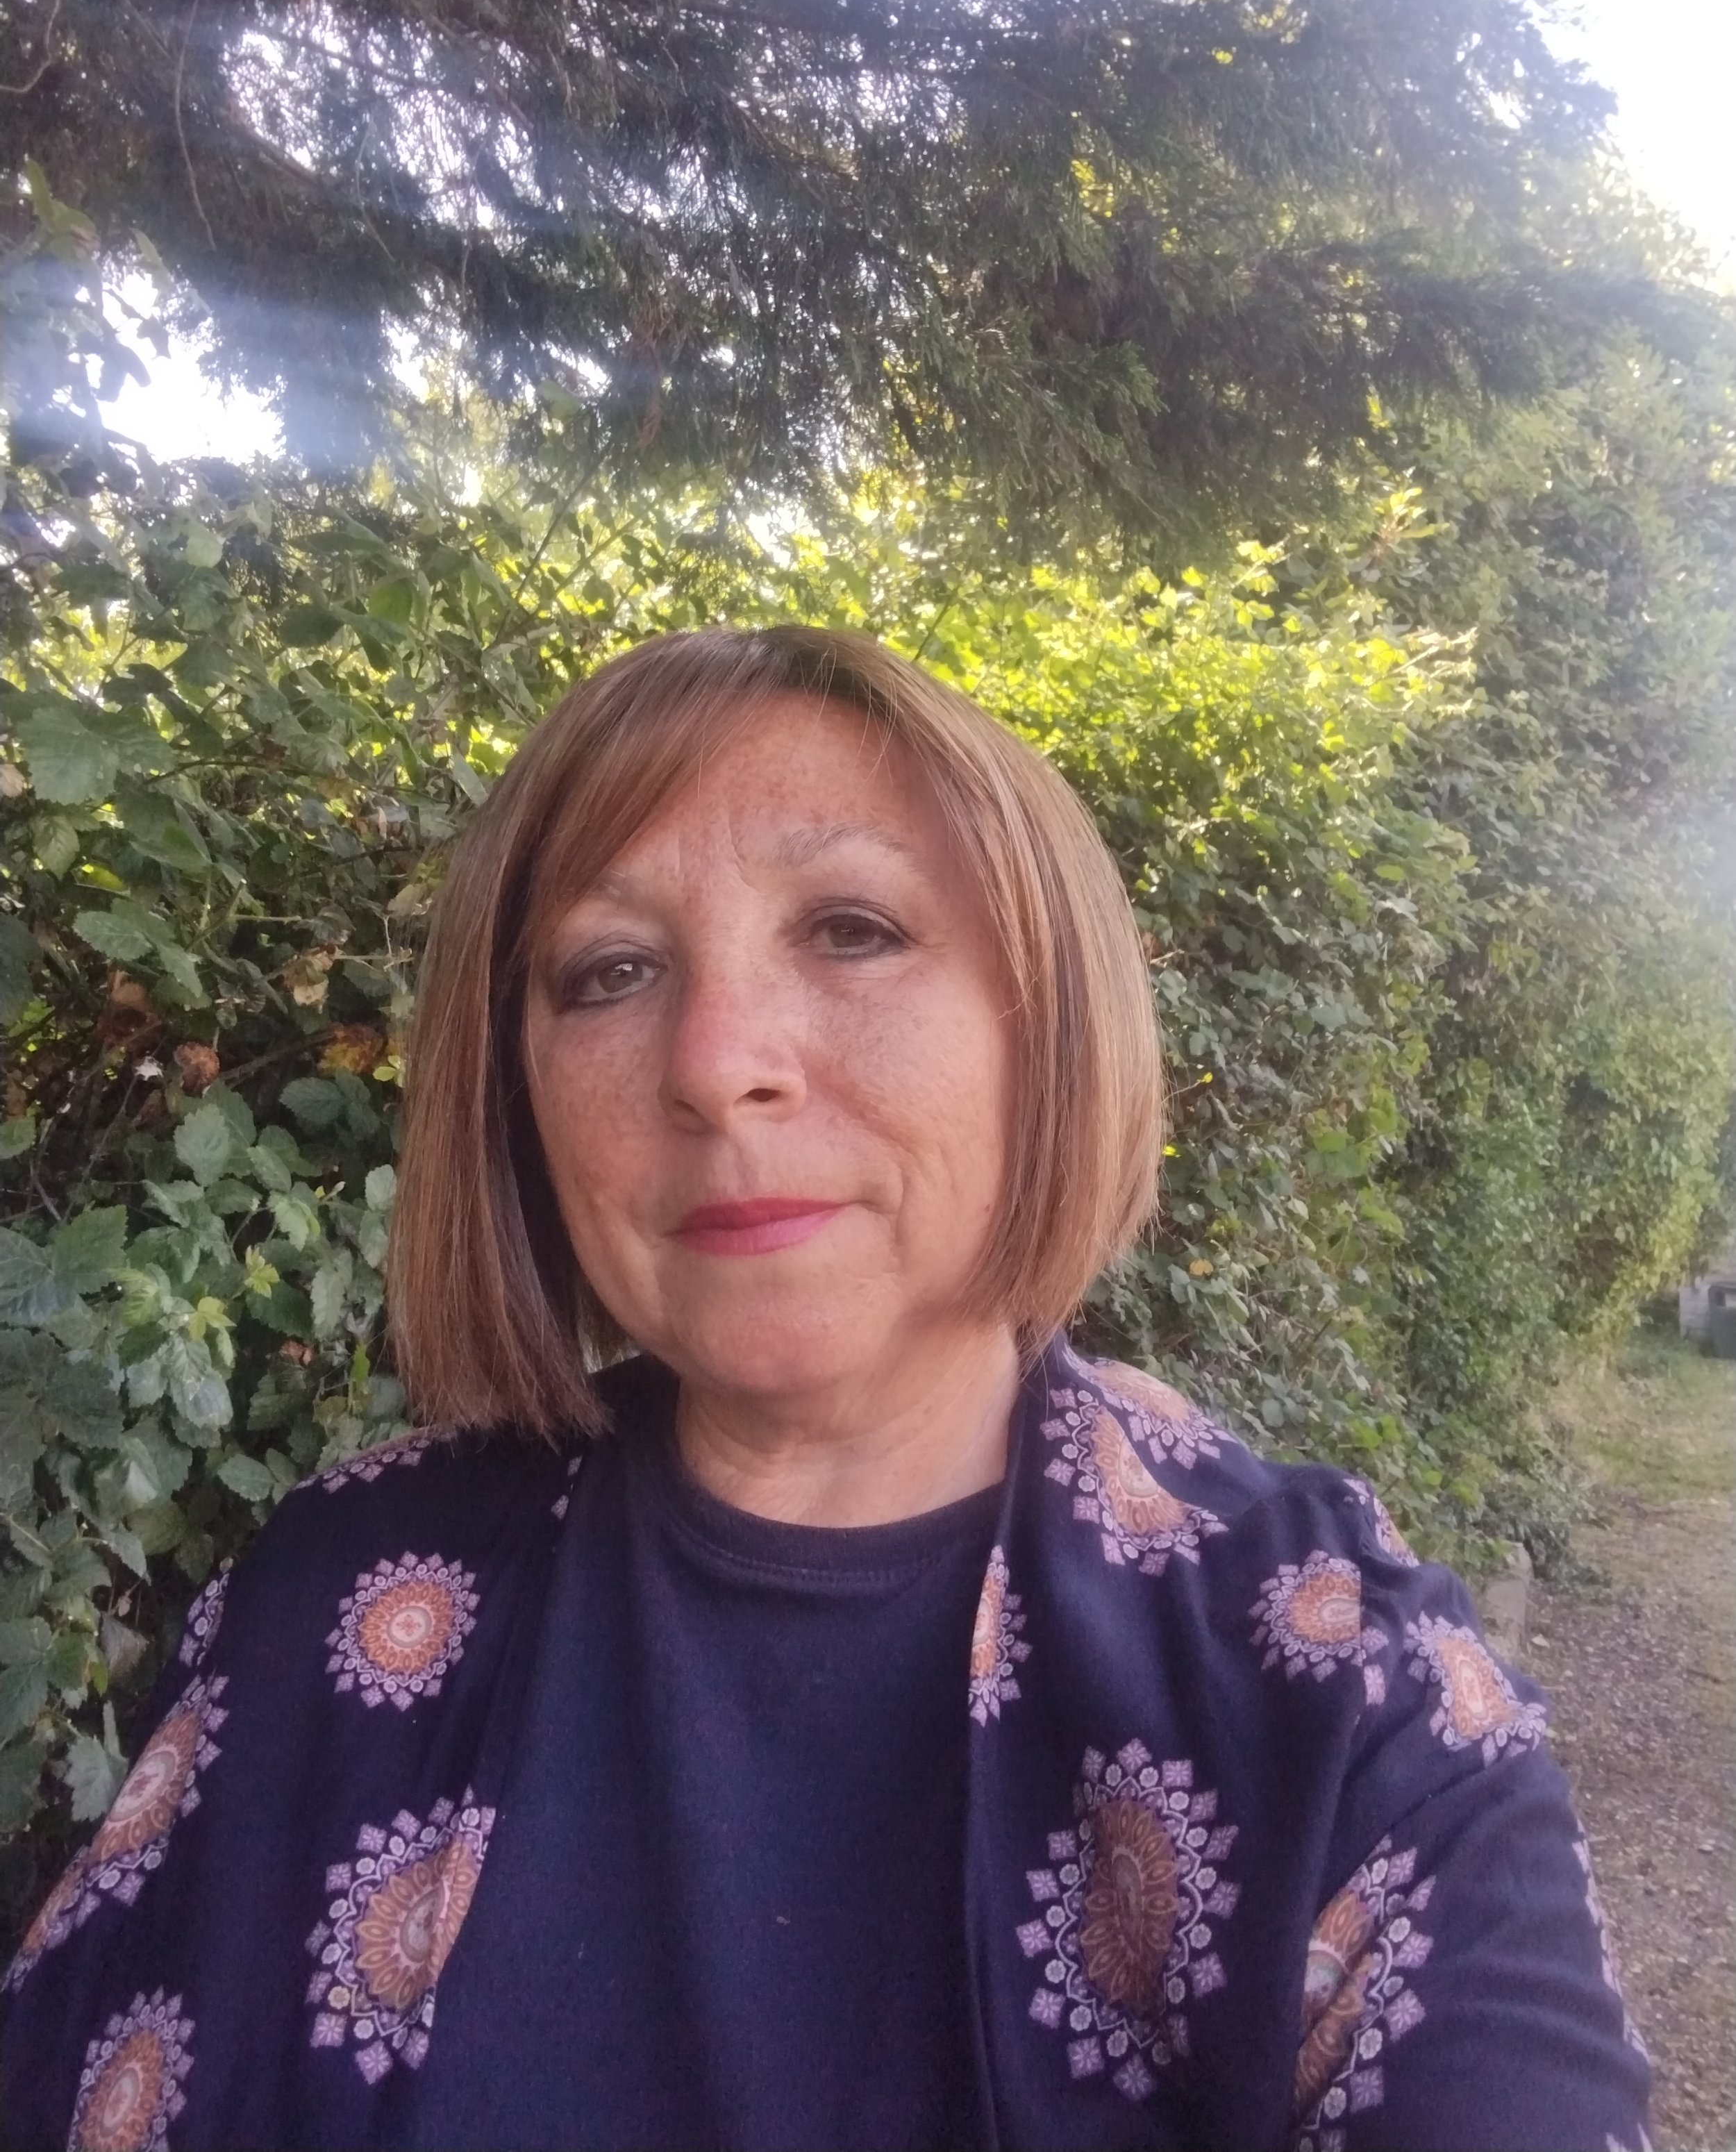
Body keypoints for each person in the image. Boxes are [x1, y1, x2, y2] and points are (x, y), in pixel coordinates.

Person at [0, 627, 1649, 2152]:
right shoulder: (324, 1599)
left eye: (850, 929)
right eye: (608, 971)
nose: (716, 1062)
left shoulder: (1335, 1685)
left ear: (1045, 1023)